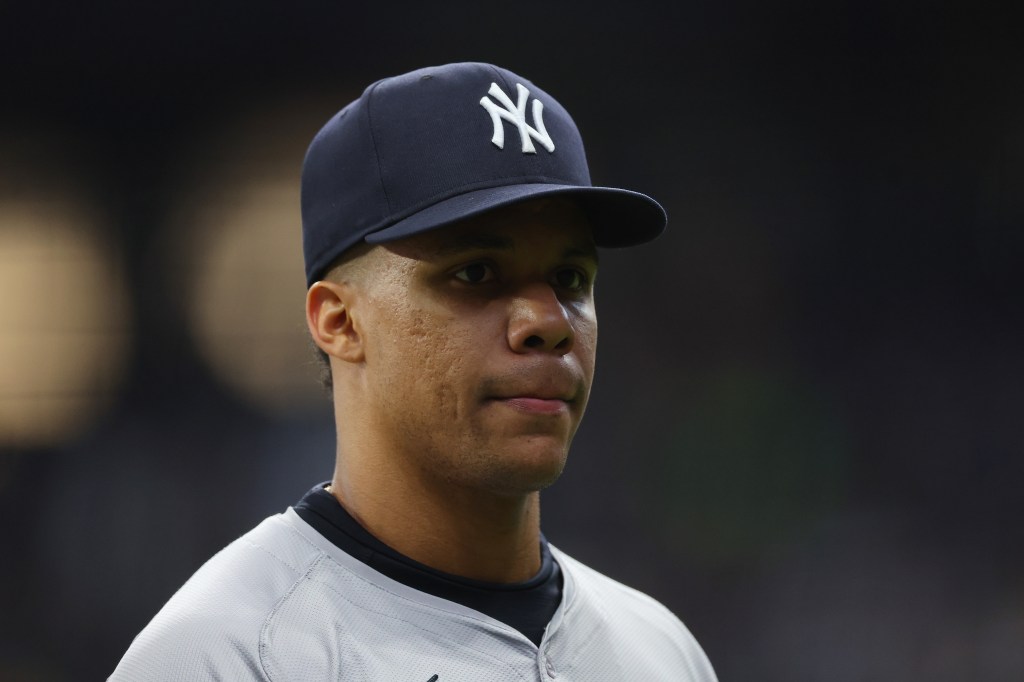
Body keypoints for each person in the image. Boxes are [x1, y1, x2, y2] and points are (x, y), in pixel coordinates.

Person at [111, 62, 717, 681]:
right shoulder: (227, 655)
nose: (548, 319)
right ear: (340, 323)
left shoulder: (662, 652)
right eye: (476, 272)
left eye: (570, 279)